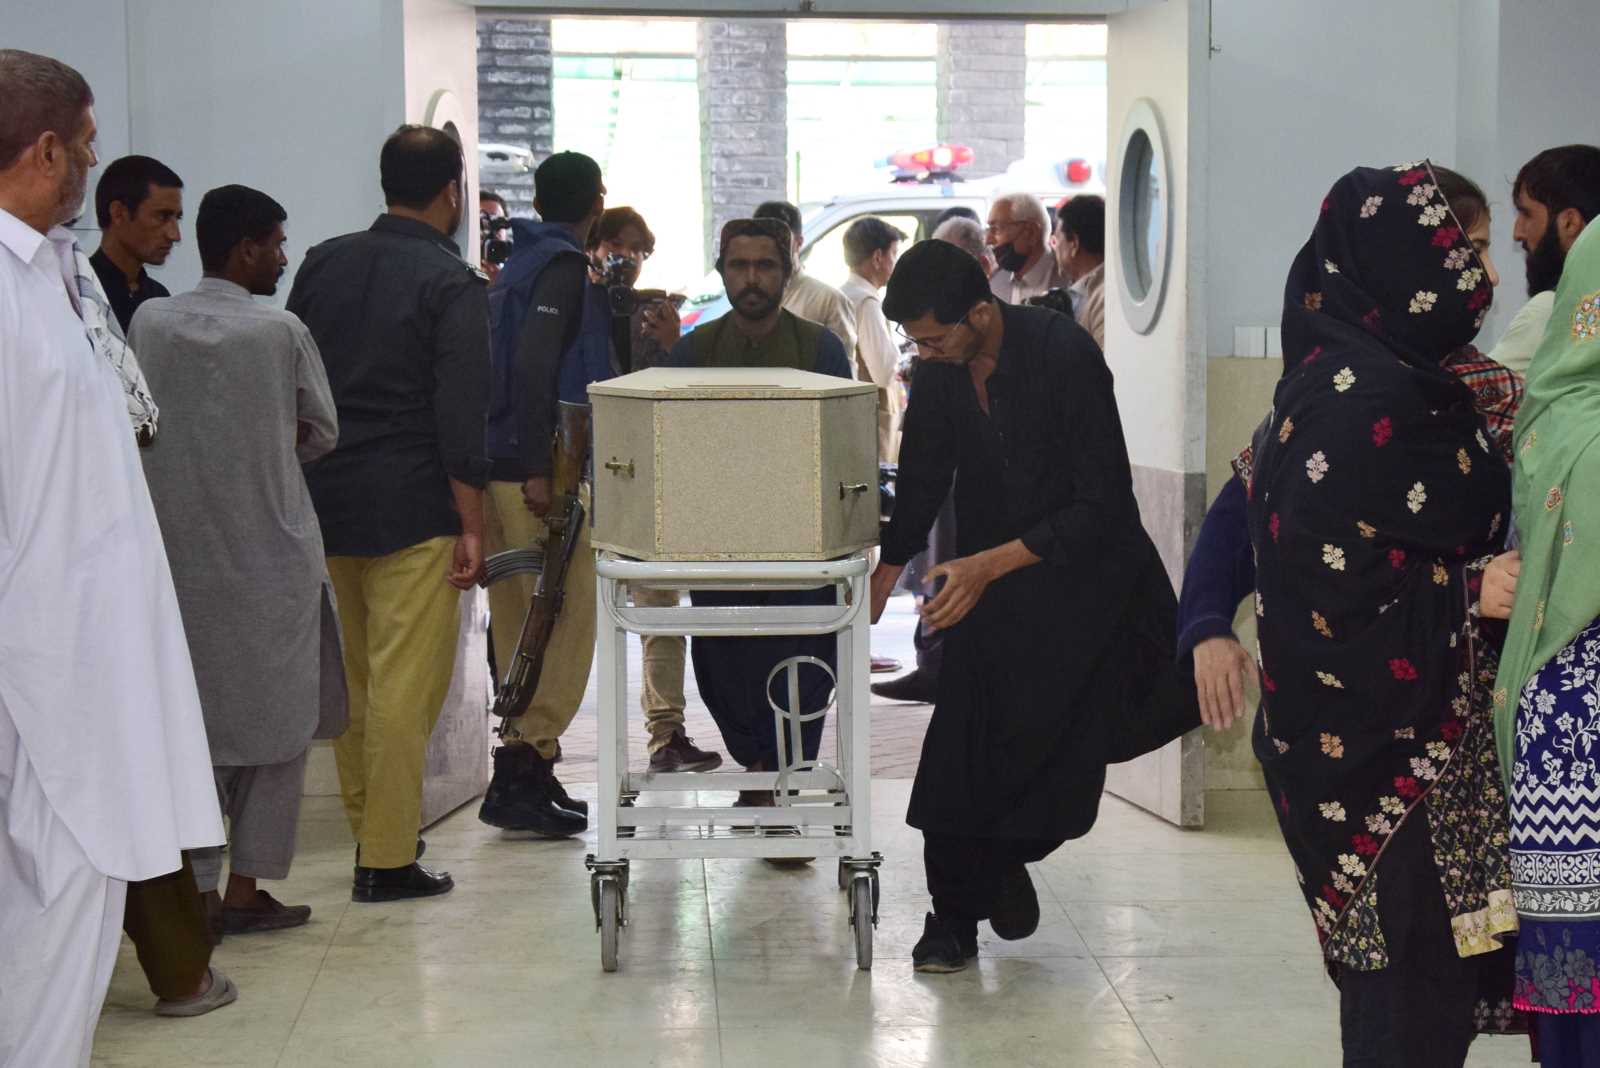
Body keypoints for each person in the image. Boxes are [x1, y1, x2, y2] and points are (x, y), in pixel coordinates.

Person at [1245, 163, 1522, 1065]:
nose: (1480, 281)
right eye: (1458, 257)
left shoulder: (1379, 377)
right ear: (1402, 267)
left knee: (1422, 983)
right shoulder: (1362, 398)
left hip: (1395, 737)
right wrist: (1467, 590)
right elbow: (1330, 587)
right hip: (1373, 749)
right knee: (1401, 989)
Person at [872, 238, 1197, 974]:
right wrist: (887, 569)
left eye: (934, 336)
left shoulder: (1063, 357)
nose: (924, 352)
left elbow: (1104, 502)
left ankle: (1000, 864)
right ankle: (951, 919)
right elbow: (923, 472)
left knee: (1065, 758)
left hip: (1091, 584)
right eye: (915, 341)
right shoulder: (940, 373)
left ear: (982, 314)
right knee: (959, 749)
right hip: (994, 588)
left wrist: (988, 564)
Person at [0, 49, 230, 1063]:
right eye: (88, 145)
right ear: (46, 147)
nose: (94, 164)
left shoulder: (56, 277)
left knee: (81, 896)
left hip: (97, 658)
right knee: (58, 896)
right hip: (42, 667)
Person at [1181, 168, 1521, 732]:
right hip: (1357, 731)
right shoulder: (1335, 399)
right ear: (1411, 261)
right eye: (1474, 250)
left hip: (1464, 704)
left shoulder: (1476, 385)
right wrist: (1207, 625)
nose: (1490, 275)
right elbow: (1248, 516)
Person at [132, 184, 343, 936]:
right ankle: (246, 888)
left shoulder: (148, 323)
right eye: (277, 243)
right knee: (279, 732)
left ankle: (192, 888)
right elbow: (321, 431)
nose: (284, 257)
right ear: (247, 247)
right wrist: (258, 453)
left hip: (176, 558)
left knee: (190, 723)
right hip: (270, 557)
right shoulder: (279, 332)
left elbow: (131, 421)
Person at [287, 125, 488, 902]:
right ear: (452, 191)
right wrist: (473, 525)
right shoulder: (453, 285)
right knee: (407, 689)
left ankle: (373, 829)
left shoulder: (320, 263)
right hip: (414, 506)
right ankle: (387, 856)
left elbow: (298, 384)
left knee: (359, 687)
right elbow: (459, 415)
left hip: (326, 498)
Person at [662, 218, 851, 803]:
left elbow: (843, 442)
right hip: (721, 545)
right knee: (725, 666)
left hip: (801, 545)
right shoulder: (694, 350)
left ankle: (786, 781)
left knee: (801, 662)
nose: (752, 278)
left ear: (786, 273)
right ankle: (758, 769)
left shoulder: (819, 348)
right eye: (739, 265)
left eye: (765, 265)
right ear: (722, 271)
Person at [1485, 218, 1600, 1066]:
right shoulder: (1572, 422)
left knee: (1570, 962)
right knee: (1573, 959)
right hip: (1576, 727)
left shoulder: (1551, 409)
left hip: (1563, 723)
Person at [478, 151, 604, 837]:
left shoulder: (519, 264)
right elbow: (536, 368)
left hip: (504, 463)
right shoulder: (560, 267)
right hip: (535, 468)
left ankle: (528, 771)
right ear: (597, 202)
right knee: (562, 616)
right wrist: (541, 468)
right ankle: (524, 767)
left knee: (526, 620)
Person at [586, 206, 722, 774]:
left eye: (640, 248)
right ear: (594, 245)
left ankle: (666, 735)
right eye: (618, 245)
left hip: (648, 480)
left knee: (660, 604)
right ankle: (530, 751)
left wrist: (672, 343)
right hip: (579, 475)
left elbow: (677, 399)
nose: (630, 258)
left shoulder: (655, 313)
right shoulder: (572, 300)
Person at [1489, 145, 1600, 375]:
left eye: (1526, 214)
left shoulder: (1551, 311)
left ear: (1570, 223)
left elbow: (1476, 401)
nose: (1517, 232)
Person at [753, 199, 858, 362]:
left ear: (798, 243)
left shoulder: (830, 301)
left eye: (780, 239)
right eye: (762, 240)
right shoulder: (746, 298)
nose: (769, 247)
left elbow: (842, 374)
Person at [89, 154, 183, 332]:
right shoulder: (78, 293)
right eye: (162, 216)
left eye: (177, 218)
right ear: (118, 213)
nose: (175, 235)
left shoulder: (159, 298)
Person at [840, 216, 905, 462]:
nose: (895, 263)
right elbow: (884, 371)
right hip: (873, 423)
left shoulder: (845, 294)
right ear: (878, 258)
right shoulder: (867, 303)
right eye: (894, 254)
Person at [1049, 194, 1106, 349]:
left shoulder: (1104, 298)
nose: (1054, 250)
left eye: (1056, 241)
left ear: (1074, 243)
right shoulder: (1088, 292)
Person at [985, 192, 1059, 304]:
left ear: (1031, 232)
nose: (988, 240)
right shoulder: (993, 282)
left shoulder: (1068, 279)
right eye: (989, 229)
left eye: (997, 228)